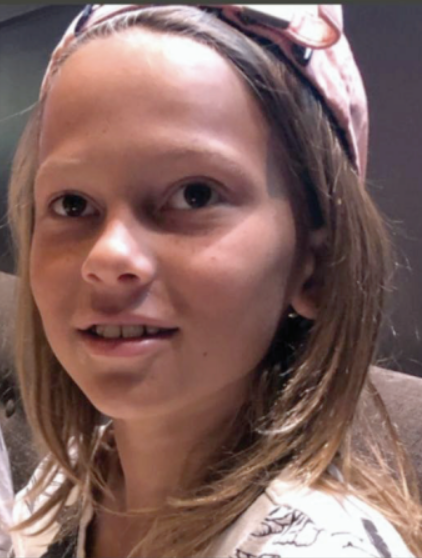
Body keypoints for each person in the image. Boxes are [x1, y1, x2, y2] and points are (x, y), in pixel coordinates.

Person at [5, 4, 422, 557]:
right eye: (73, 204)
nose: (108, 256)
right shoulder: (70, 481)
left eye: (194, 195)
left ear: (316, 266)